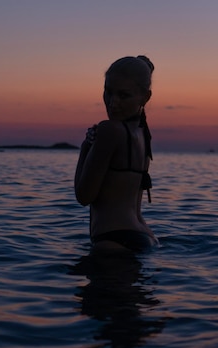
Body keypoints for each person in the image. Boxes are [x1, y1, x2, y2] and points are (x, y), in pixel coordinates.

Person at [74, 55, 158, 252]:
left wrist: (86, 147)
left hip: (112, 241)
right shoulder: (143, 133)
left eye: (123, 95)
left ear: (145, 97)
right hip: (146, 238)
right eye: (108, 92)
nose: (112, 103)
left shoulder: (110, 130)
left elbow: (84, 196)